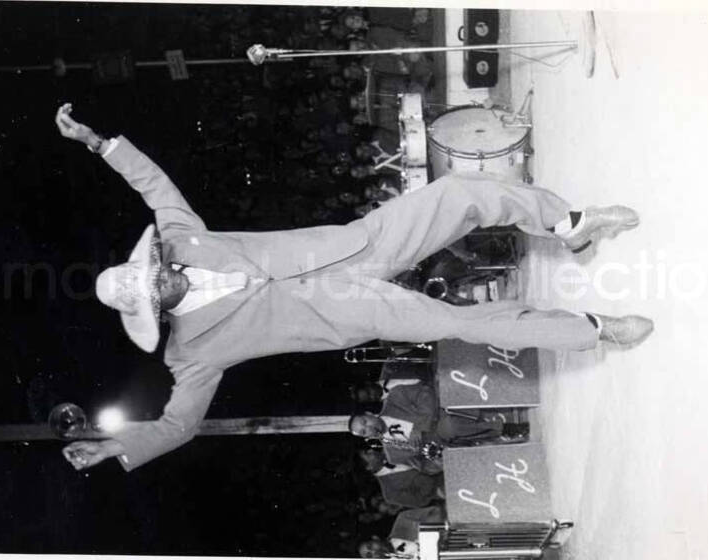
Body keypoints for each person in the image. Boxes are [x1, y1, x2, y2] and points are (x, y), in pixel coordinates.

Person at [54, 103, 653, 472]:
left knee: (456, 196)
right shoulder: (193, 354)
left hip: (357, 243)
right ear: (151, 307)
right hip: (353, 311)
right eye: (150, 282)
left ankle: (569, 225)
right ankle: (594, 331)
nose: (160, 270)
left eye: (150, 264)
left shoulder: (183, 237)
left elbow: (155, 188)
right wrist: (121, 445)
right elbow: (178, 425)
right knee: (460, 323)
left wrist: (98, 144)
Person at [348, 384, 528, 473]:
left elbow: (426, 393)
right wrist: (439, 461)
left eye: (364, 422)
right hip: (442, 447)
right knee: (455, 462)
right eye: (364, 431)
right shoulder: (393, 453)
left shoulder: (395, 398)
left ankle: (506, 428)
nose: (368, 427)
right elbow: (423, 466)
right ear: (367, 438)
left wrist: (420, 427)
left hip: (439, 417)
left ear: (369, 413)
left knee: (450, 427)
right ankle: (513, 460)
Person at [359, 449, 444, 508]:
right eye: (368, 454)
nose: (371, 450)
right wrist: (428, 481)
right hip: (443, 486)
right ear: (369, 467)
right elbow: (421, 501)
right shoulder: (390, 494)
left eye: (368, 450)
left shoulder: (392, 450)